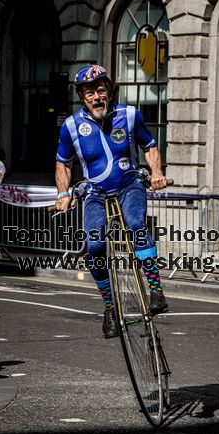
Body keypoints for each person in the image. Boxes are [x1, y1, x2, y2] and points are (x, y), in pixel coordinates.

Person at [55, 65, 169, 339]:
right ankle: (110, 308)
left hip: (129, 184)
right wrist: (63, 193)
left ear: (109, 91)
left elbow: (150, 146)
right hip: (94, 192)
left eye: (101, 90)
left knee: (136, 226)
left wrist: (156, 173)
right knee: (94, 246)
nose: (97, 97)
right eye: (90, 93)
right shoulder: (71, 127)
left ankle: (155, 290)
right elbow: (63, 164)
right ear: (82, 97)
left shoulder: (130, 115)